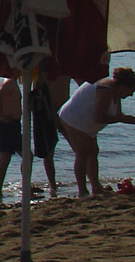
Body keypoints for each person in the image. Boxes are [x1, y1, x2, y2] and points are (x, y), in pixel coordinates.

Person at [58, 67, 135, 197]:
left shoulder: (115, 91)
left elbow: (119, 115)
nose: (131, 95)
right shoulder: (106, 90)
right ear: (124, 86)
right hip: (73, 118)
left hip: (85, 123)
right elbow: (100, 117)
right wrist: (119, 119)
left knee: (93, 151)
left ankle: (96, 188)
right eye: (131, 91)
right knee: (83, 152)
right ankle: (82, 191)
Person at [0, 77, 22, 204]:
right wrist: (1, 115)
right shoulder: (9, 82)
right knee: (5, 158)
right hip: (6, 124)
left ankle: (25, 185)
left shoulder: (14, 82)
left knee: (27, 156)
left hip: (14, 123)